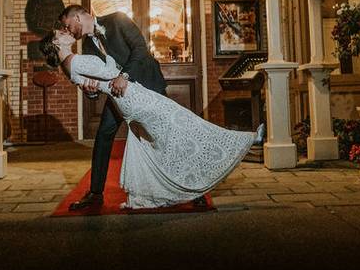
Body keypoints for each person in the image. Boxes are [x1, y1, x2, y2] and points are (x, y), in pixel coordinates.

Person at [40, 25, 264, 209]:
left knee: (170, 133)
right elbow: (110, 73)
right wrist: (94, 86)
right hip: (133, 98)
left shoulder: (72, 63)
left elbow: (102, 75)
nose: (65, 31)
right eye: (60, 33)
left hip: (132, 96)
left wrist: (93, 84)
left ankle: (187, 180)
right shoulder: (75, 60)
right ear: (56, 43)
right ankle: (242, 142)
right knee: (185, 124)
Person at [59, 4, 168, 210]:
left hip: (148, 84)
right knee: (103, 134)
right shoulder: (88, 47)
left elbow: (140, 49)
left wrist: (124, 76)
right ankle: (96, 193)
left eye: (68, 25)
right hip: (119, 94)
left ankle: (192, 188)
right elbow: (96, 82)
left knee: (164, 134)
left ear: (78, 18)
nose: (68, 31)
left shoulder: (117, 19)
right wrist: (90, 90)